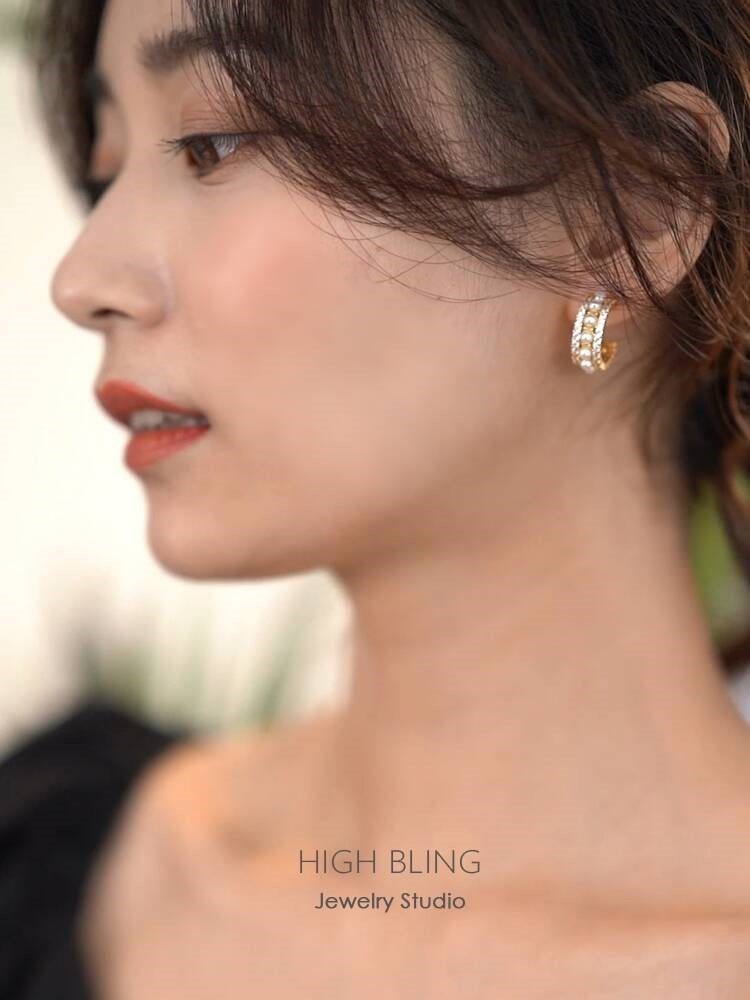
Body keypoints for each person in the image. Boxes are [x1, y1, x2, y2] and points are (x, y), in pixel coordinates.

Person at [6, 0, 750, 995]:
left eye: (211, 143)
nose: (82, 279)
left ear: (639, 203)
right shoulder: (53, 864)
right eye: (108, 167)